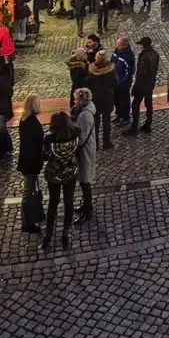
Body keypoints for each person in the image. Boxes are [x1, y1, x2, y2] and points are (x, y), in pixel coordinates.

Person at [41, 111, 80, 250]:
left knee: (53, 203)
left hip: (54, 175)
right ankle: (65, 233)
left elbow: (45, 156)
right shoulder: (75, 133)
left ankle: (48, 235)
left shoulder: (49, 140)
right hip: (71, 173)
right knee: (68, 202)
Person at [17, 94, 45, 234]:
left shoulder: (24, 119)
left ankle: (27, 220)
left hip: (27, 161)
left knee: (28, 191)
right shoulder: (32, 122)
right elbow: (37, 141)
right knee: (28, 192)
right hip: (31, 162)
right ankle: (27, 222)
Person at [72, 88, 97, 225]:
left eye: (76, 98)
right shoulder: (84, 112)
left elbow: (82, 136)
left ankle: (87, 210)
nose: (74, 101)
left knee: (85, 180)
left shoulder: (85, 116)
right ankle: (86, 206)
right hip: (86, 149)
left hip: (85, 150)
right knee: (83, 180)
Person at [128, 36, 160, 135]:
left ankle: (134, 127)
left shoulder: (144, 55)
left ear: (143, 44)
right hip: (150, 84)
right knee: (148, 104)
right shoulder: (155, 54)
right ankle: (148, 124)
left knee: (135, 104)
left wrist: (135, 87)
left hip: (142, 85)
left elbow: (141, 74)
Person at [86, 49, 116, 150]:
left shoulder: (92, 70)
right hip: (107, 98)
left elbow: (88, 84)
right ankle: (106, 142)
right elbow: (114, 83)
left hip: (95, 99)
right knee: (107, 121)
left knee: (96, 122)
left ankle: (96, 143)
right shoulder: (110, 70)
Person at [112, 37, 135, 125]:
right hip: (116, 82)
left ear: (124, 45)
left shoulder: (128, 56)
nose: (117, 46)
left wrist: (122, 81)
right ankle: (118, 114)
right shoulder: (116, 52)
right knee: (116, 99)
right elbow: (112, 63)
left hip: (123, 83)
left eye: (119, 44)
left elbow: (129, 72)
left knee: (124, 101)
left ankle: (126, 117)